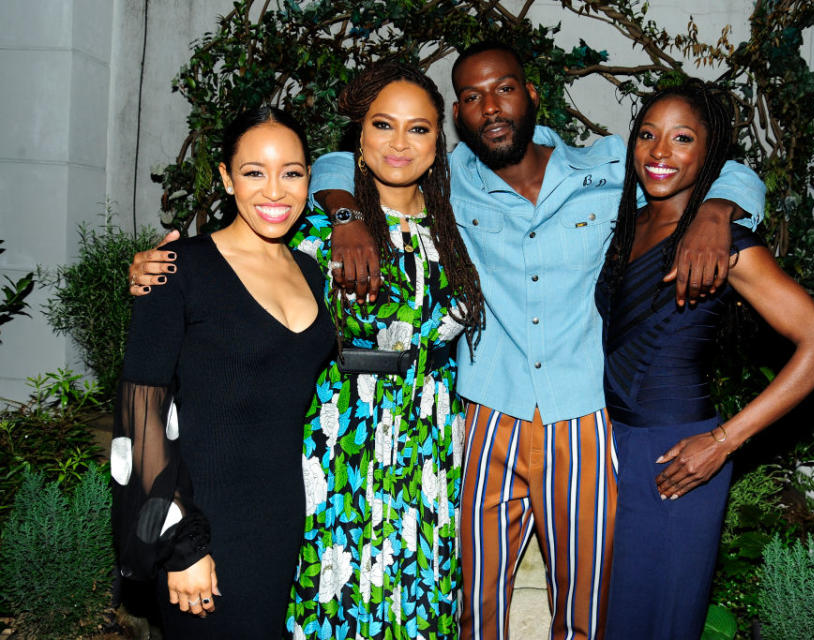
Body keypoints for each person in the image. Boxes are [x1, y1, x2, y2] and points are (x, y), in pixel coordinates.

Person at [129, 43, 765, 640]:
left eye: (504, 90)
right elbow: (290, 186)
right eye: (469, 97)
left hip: (486, 426)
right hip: (375, 432)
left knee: (538, 601)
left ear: (530, 95)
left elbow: (703, 158)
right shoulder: (358, 207)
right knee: (394, 603)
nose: (488, 108)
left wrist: (718, 210)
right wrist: (173, 267)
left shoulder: (593, 169)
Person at [595, 80, 814, 639]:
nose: (659, 153)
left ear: (709, 154)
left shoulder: (724, 240)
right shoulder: (626, 223)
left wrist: (725, 441)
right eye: (647, 135)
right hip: (605, 449)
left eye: (682, 138)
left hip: (678, 457)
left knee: (659, 623)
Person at [111, 106, 335, 639]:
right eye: (254, 171)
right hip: (202, 521)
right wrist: (181, 544)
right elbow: (141, 416)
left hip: (281, 518)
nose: (275, 191)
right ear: (226, 178)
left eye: (293, 172)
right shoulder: (177, 268)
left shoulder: (309, 268)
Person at [280, 61, 483, 640]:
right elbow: (238, 280)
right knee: (336, 589)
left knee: (421, 589)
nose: (400, 143)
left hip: (433, 435)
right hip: (338, 430)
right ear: (359, 141)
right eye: (383, 126)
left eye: (418, 129)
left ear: (438, 141)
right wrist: (163, 274)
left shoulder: (461, 225)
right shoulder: (316, 228)